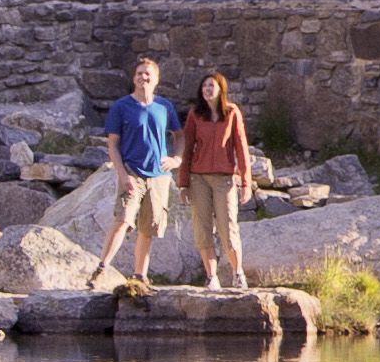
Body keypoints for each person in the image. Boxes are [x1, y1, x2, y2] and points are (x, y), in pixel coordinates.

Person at [94, 57, 182, 285]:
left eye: (147, 74)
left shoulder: (165, 107)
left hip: (159, 175)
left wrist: (177, 159)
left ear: (156, 79)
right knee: (123, 219)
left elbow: (179, 135)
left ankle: (140, 275)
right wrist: (122, 175)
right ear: (134, 78)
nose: (143, 77)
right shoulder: (122, 107)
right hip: (132, 171)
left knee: (148, 227)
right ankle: (102, 268)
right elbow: (113, 144)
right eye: (139, 73)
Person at [182, 69, 260, 294]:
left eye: (211, 85)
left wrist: (246, 182)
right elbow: (187, 149)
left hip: (224, 179)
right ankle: (211, 276)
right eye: (204, 86)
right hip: (199, 178)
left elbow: (241, 148)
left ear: (220, 89)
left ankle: (238, 273)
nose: (207, 89)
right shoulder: (195, 114)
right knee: (202, 226)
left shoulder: (232, 112)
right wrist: (183, 183)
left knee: (228, 227)